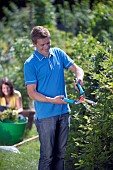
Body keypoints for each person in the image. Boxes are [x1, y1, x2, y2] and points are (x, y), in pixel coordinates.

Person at [24, 26, 84, 170]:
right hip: (46, 116)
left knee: (60, 155)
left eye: (48, 43)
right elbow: (32, 93)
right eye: (42, 45)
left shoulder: (58, 53)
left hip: (63, 112)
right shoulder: (30, 64)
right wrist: (52, 100)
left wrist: (79, 79)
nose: (46, 47)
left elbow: (77, 69)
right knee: (47, 156)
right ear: (34, 44)